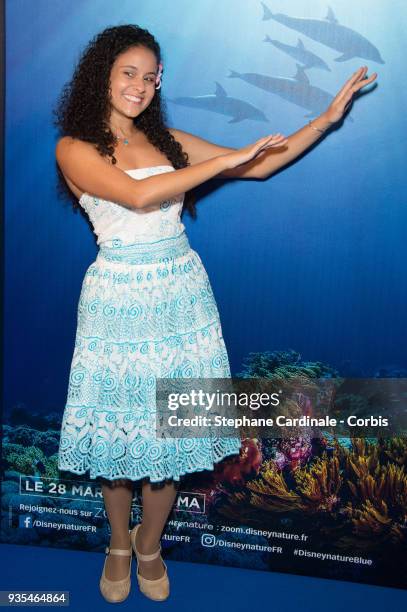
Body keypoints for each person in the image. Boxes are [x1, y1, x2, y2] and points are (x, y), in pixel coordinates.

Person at [53, 24, 377, 604]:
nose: (140, 85)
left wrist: (324, 121)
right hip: (118, 301)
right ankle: (118, 546)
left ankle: (149, 544)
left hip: (182, 295)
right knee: (119, 435)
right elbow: (137, 196)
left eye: (151, 77)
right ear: (101, 73)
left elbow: (257, 165)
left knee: (173, 433)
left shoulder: (167, 140)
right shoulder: (73, 147)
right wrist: (230, 155)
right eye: (129, 72)